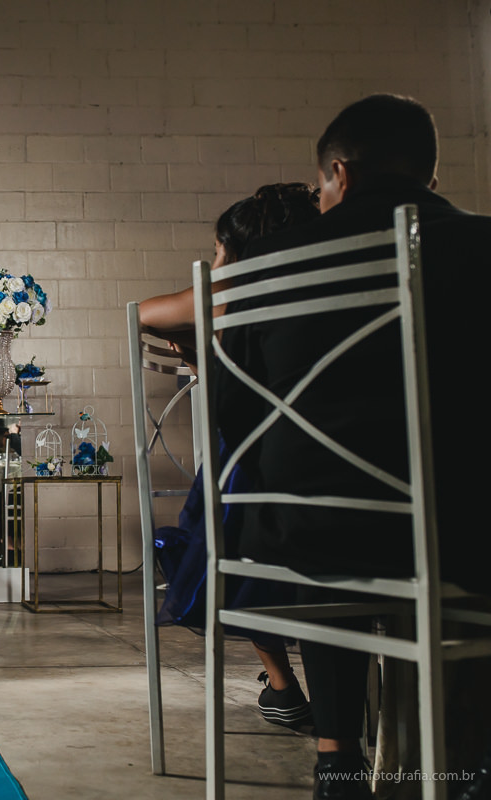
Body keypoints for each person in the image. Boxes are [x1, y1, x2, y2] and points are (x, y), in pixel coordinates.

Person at [217, 95, 491, 799]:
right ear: (432, 179)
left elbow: (236, 411)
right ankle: (467, 764)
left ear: (338, 173)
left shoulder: (264, 263)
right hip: (465, 530)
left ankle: (338, 764)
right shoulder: (482, 242)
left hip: (304, 530)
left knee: (327, 512)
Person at [140, 183, 321, 731]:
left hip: (262, 491)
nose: (214, 261)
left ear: (241, 251)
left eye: (219, 251)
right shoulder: (329, 285)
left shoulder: (230, 293)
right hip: (351, 482)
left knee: (224, 508)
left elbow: (144, 312)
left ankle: (283, 681)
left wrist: (204, 339)